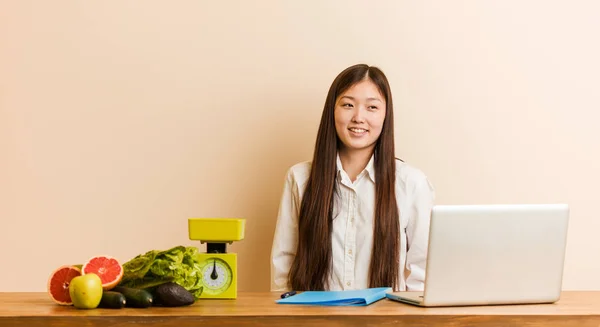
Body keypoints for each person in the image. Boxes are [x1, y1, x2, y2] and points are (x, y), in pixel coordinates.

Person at [270, 63, 435, 292]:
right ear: (332, 110)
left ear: (386, 114)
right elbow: (284, 268)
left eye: (372, 107)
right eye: (348, 105)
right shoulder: (299, 178)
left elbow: (422, 275)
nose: (358, 117)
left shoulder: (411, 183)